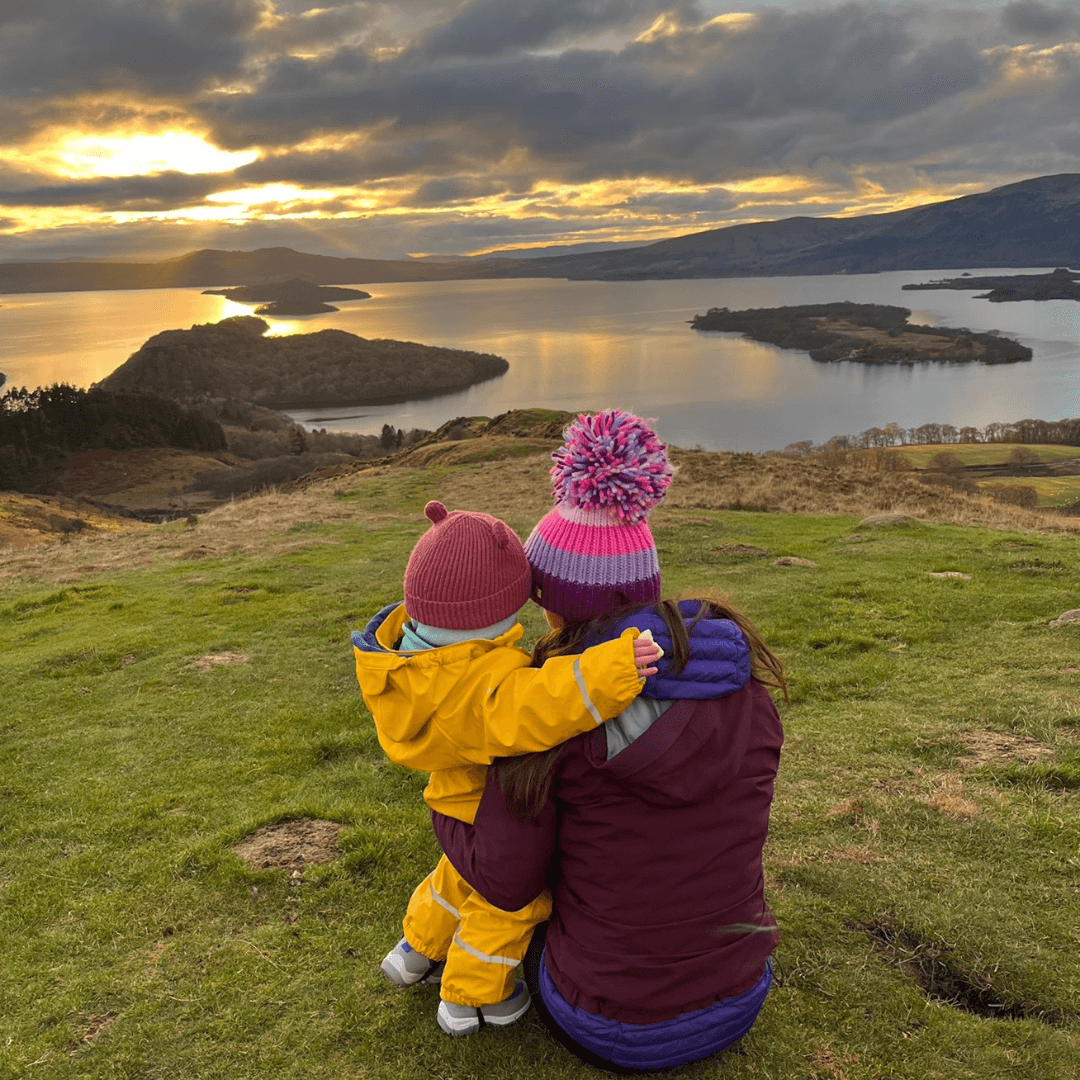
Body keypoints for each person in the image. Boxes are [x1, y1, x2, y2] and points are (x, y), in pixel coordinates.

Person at [433, 410, 785, 1071]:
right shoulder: (746, 686)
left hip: (606, 1022)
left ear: (554, 601)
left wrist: (444, 807)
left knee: (514, 906)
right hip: (741, 997)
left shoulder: (547, 715)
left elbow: (507, 884)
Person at [351, 499, 661, 1037]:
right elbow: (545, 700)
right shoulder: (484, 688)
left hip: (451, 800)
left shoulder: (410, 661)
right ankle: (473, 996)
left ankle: (416, 949)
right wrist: (615, 667)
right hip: (484, 810)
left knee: (457, 874)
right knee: (511, 901)